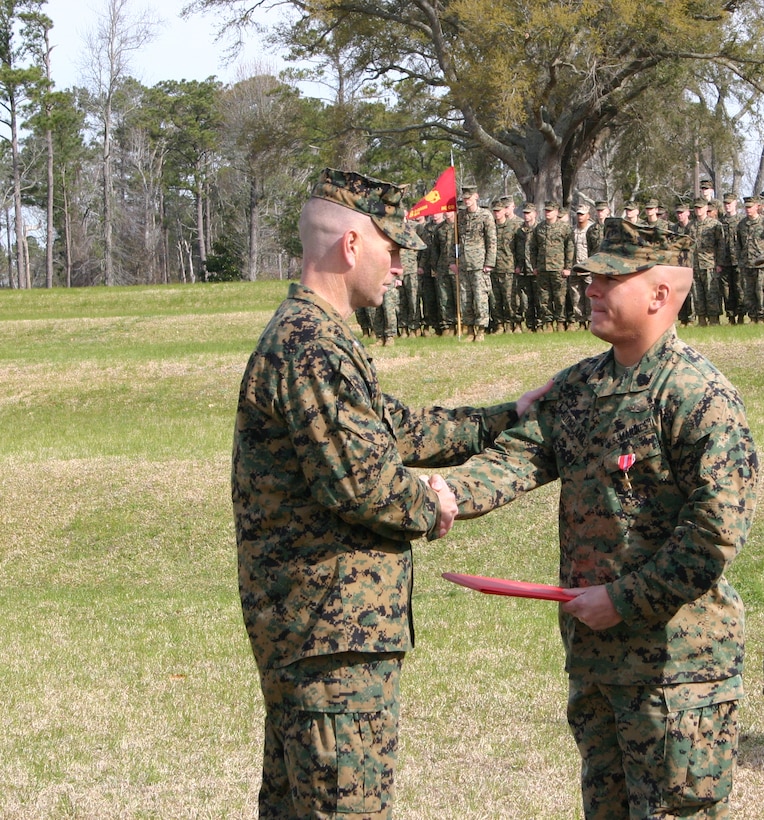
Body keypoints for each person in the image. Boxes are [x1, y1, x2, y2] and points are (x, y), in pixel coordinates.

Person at [232, 167, 547, 820]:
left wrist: (508, 414)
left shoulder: (320, 339)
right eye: (393, 247)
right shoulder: (311, 348)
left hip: (322, 637)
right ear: (351, 246)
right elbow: (368, 486)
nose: (401, 265)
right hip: (332, 643)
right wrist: (437, 505)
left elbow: (401, 429)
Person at [433, 218, 759, 819]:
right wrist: (443, 495)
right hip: (598, 661)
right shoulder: (583, 386)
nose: (591, 289)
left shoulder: (698, 396)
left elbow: (714, 534)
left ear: (660, 294)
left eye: (610, 278)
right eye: (590, 277)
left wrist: (624, 600)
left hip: (676, 670)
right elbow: (520, 456)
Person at [451, 182, 497, 341]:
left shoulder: (485, 216)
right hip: (463, 264)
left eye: (469, 198)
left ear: (476, 196)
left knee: (480, 298)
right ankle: (469, 329)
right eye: (464, 198)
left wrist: (489, 263)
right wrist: (453, 261)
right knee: (465, 298)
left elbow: (492, 241)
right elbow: (454, 241)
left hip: (479, 265)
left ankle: (481, 330)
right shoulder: (460, 217)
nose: (466, 201)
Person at [530, 200, 574, 331]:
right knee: (544, 298)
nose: (547, 213)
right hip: (543, 268)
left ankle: (560, 322)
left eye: (550, 211)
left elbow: (570, 248)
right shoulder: (539, 228)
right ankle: (548, 323)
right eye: (546, 211)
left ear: (556, 212)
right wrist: (535, 266)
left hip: (558, 268)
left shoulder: (564, 227)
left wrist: (568, 267)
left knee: (560, 297)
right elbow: (533, 248)